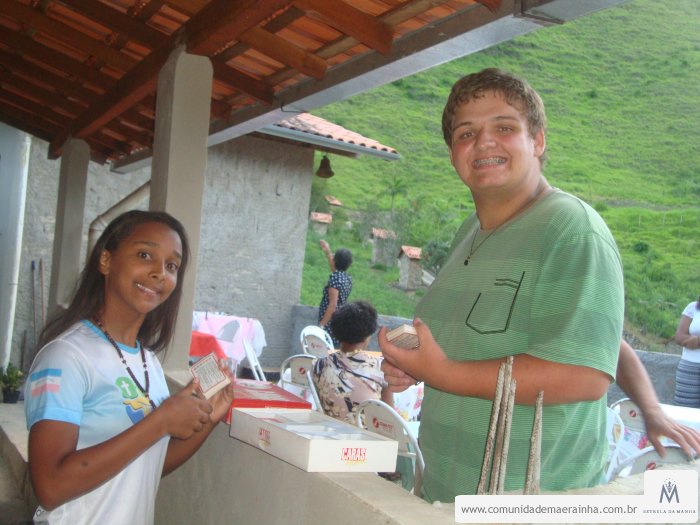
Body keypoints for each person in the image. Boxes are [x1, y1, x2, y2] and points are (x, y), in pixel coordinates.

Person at [379, 68, 626, 500]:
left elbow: (583, 375)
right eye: (466, 133)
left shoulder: (571, 229)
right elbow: (466, 350)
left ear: (538, 141)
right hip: (443, 493)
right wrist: (415, 366)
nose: (484, 142)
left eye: (505, 128)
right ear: (453, 154)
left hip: (527, 502)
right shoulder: (467, 233)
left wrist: (444, 372)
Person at [24, 210, 234, 525]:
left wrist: (209, 420)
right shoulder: (66, 356)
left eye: (171, 266)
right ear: (106, 260)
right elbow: (50, 487)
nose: (159, 273)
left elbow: (146, 464)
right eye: (145, 255)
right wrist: (161, 421)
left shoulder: (148, 363)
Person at [312, 301, 393, 424]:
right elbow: (391, 416)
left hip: (330, 430)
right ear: (367, 335)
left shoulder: (318, 365)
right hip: (367, 433)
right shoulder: (380, 367)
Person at [317, 240, 353, 346]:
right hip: (338, 320)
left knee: (326, 351)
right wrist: (328, 252)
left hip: (329, 323)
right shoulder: (345, 277)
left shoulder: (335, 279)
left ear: (335, 260)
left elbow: (333, 305)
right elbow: (335, 269)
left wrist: (321, 325)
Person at [673, 295, 700, 407]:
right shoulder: (693, 307)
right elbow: (679, 337)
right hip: (689, 367)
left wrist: (695, 341)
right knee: (684, 409)